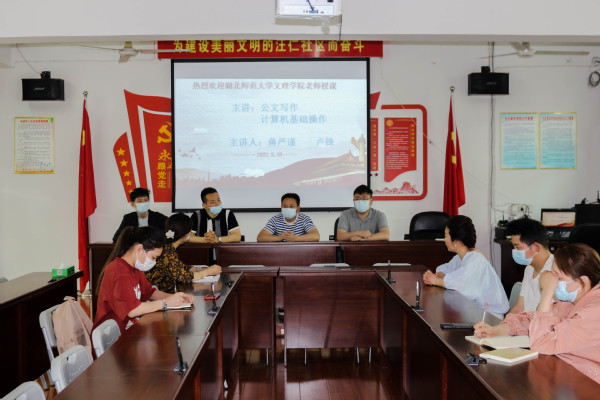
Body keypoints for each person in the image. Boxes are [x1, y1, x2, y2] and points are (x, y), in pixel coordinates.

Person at [475, 244, 600, 384]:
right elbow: (533, 319)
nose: (552, 281)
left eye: (558, 277)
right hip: (563, 372)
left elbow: (541, 342)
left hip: (587, 383)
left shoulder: (594, 312)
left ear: (583, 282)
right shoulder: (572, 301)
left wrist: (547, 293)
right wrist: (498, 330)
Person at [94, 226, 194, 334]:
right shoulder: (120, 272)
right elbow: (132, 310)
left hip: (128, 328)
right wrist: (165, 303)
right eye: (153, 257)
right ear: (139, 249)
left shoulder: (135, 267)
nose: (154, 262)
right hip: (113, 334)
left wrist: (175, 297)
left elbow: (150, 293)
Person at [423, 215, 509, 316]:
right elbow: (446, 269)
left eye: (446, 236)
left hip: (488, 316)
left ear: (456, 241)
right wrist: (438, 275)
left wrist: (436, 281)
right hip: (473, 311)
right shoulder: (460, 257)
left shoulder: (476, 259)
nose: (444, 240)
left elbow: (462, 285)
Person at [145, 213, 222, 291]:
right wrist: (207, 272)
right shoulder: (168, 252)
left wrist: (200, 269)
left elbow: (181, 267)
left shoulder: (167, 246)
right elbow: (185, 277)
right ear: (185, 235)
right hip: (156, 292)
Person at [505, 217, 554, 314]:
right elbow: (519, 307)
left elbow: (545, 316)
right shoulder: (529, 268)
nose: (514, 251)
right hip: (526, 321)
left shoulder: (555, 272)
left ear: (536, 247)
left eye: (518, 247)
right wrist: (504, 322)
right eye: (513, 247)